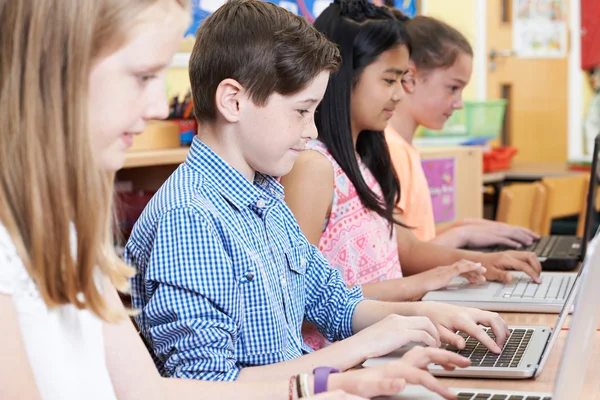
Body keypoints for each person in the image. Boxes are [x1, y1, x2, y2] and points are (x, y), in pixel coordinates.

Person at [0, 1, 467, 399]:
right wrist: (343, 367)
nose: (160, 107)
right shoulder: (189, 216)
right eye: (143, 76)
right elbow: (198, 381)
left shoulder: (71, 236)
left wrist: (339, 378)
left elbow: (150, 390)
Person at [125, 0, 509, 391]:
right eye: (301, 111)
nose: (312, 131)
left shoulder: (266, 195)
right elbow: (206, 385)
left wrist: (423, 316)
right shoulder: (191, 217)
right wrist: (362, 350)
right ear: (233, 101)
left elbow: (334, 303)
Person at [279, 0, 539, 349]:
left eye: (403, 79)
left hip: (387, 342)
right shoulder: (312, 168)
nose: (400, 94)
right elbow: (294, 302)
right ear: (342, 75)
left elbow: (409, 247)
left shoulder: (365, 158)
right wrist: (419, 285)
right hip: (342, 360)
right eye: (389, 79)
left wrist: (485, 263)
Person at [385, 15, 540, 249]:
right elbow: (400, 259)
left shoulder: (403, 147)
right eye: (453, 88)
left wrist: (462, 227)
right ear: (410, 77)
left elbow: (416, 240)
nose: (459, 103)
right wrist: (462, 235)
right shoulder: (389, 150)